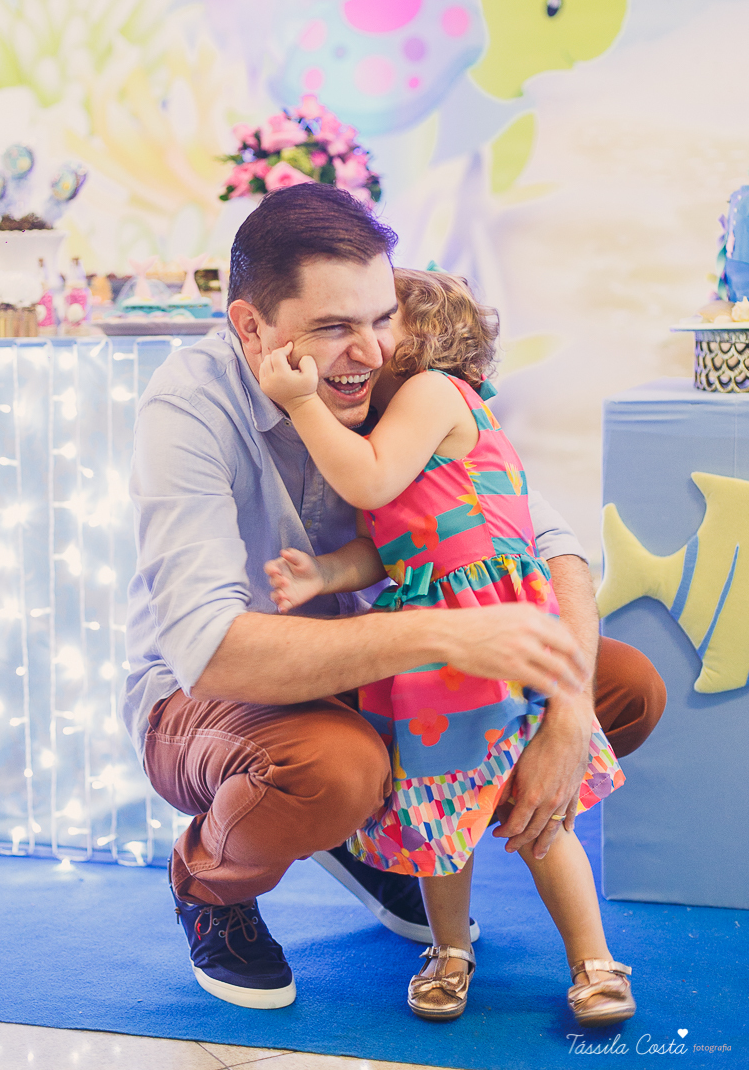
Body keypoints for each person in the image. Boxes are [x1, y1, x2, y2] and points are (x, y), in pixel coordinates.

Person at [121, 182, 666, 1013]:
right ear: (250, 327)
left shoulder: (406, 379)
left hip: (380, 671)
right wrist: (444, 639)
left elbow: (548, 542)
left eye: (381, 318)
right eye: (335, 327)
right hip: (213, 693)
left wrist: (563, 713)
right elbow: (211, 647)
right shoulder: (188, 407)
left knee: (617, 686)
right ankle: (211, 885)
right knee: (336, 768)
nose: (371, 353)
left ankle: (385, 833)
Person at [259, 266, 634, 1026]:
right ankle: (449, 948)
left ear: (420, 339)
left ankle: (593, 960)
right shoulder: (396, 427)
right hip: (436, 644)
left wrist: (301, 403)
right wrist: (325, 572)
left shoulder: (433, 394)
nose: (361, 346)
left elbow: (366, 484)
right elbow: (391, 548)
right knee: (441, 814)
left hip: (491, 624)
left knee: (542, 814)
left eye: (377, 325)